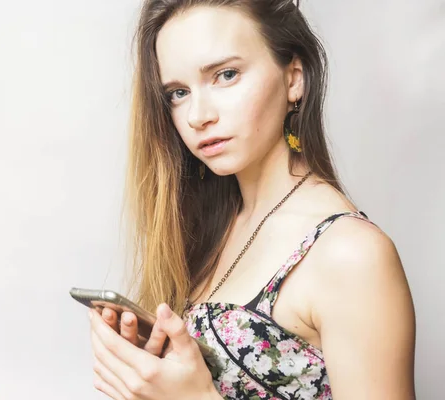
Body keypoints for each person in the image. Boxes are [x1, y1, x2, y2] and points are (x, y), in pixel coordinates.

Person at [87, 0, 416, 398]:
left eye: (226, 75)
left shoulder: (350, 253)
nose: (198, 115)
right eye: (178, 92)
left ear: (294, 78)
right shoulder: (210, 229)